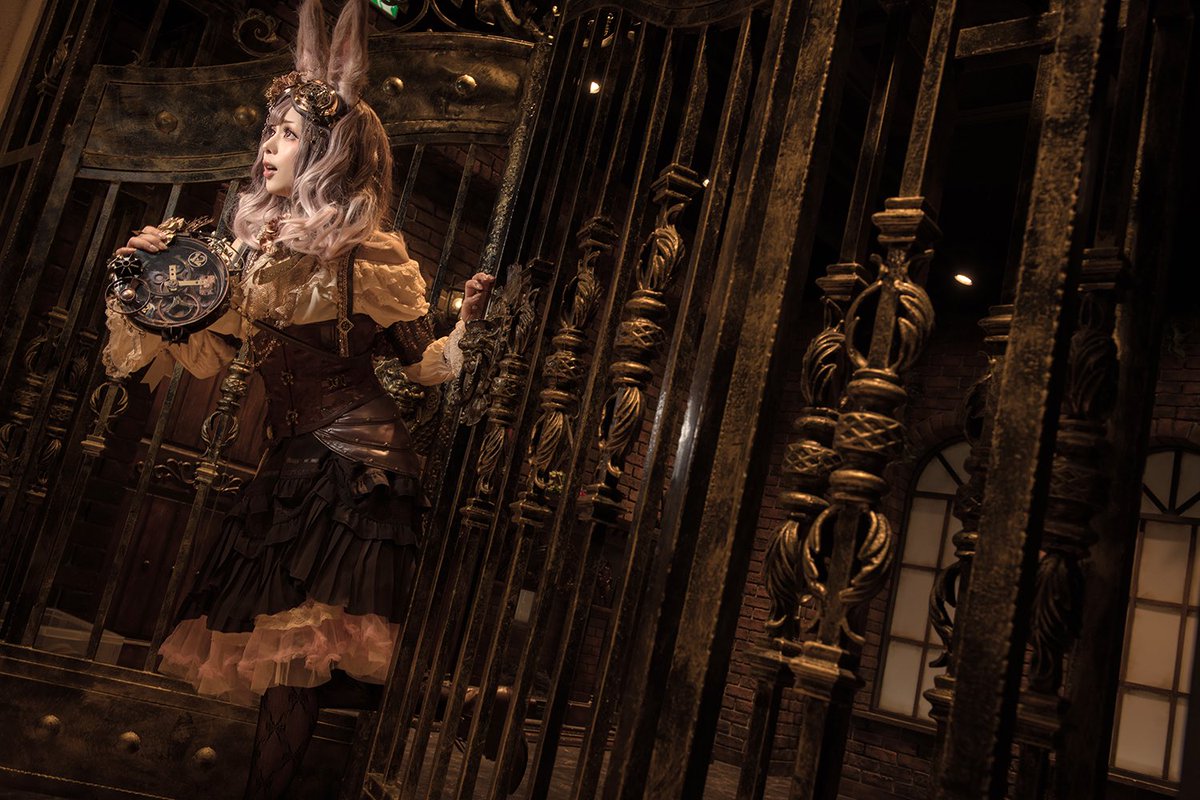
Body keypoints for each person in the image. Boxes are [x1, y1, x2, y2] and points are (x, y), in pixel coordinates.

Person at [102, 1, 493, 797]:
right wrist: (143, 278)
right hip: (289, 470)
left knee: (300, 660)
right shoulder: (251, 258)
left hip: (358, 471)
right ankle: (449, 712)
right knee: (288, 655)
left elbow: (426, 366)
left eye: (284, 135)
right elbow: (202, 349)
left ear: (325, 152)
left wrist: (471, 324)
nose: (266, 148)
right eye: (268, 133)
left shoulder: (369, 257)